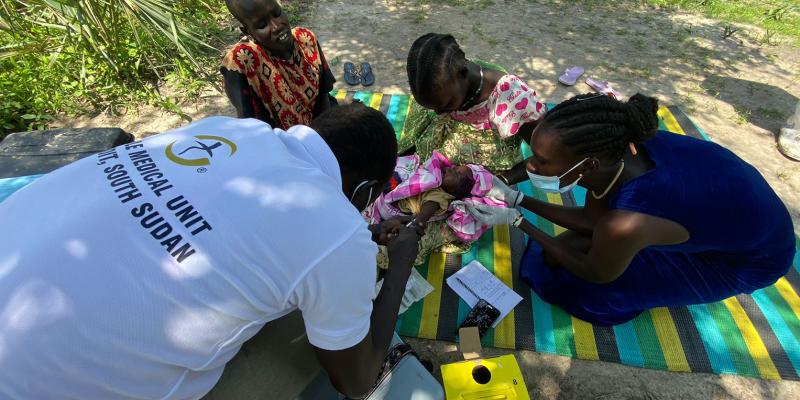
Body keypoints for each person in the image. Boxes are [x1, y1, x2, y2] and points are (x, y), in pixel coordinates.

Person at [0, 104, 422, 399]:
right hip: (39, 386)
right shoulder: (339, 232)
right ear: (368, 189)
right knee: (312, 338)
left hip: (17, 278)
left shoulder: (230, 129)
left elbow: (232, 220)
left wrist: (354, 237)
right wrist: (400, 261)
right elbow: (356, 380)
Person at [468, 93, 796, 326]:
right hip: (735, 217)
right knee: (554, 254)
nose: (530, 165)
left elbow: (596, 271)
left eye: (542, 160)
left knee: (591, 291)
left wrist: (519, 220)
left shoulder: (627, 221)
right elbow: (590, 220)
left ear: (588, 164)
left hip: (751, 258)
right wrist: (517, 198)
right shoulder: (622, 150)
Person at [401, 33, 546, 183]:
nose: (438, 114)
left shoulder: (511, 99)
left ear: (463, 73)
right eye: (432, 107)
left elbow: (546, 158)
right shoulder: (442, 90)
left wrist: (498, 182)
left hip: (477, 179)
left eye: (448, 105)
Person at [369, 151, 504, 268]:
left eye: (456, 174)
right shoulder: (436, 182)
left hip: (394, 211)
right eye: (455, 168)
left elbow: (424, 215)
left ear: (456, 191)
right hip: (390, 201)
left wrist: (415, 222)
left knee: (384, 233)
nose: (451, 169)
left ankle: (379, 242)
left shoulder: (439, 198)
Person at [220, 0, 337, 130]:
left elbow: (323, 96)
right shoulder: (243, 63)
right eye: (262, 25)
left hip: (320, 127)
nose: (277, 26)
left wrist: (320, 135)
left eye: (277, 13)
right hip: (279, 142)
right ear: (247, 31)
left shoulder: (305, 39)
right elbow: (251, 128)